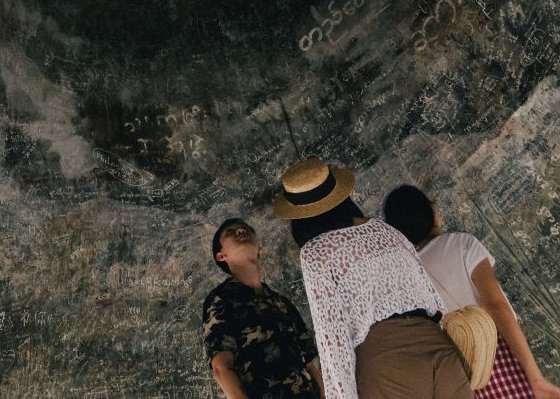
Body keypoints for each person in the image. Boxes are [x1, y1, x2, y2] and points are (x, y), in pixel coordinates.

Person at [273, 158, 472, 399]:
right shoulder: (385, 231)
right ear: (341, 195)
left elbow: (333, 338)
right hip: (438, 346)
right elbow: (433, 298)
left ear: (300, 216)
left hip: (385, 361)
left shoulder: (316, 252)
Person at [383, 185, 560, 399]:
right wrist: (535, 377)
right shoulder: (462, 244)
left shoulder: (404, 275)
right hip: (498, 355)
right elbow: (495, 305)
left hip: (458, 377)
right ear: (428, 212)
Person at [202, 217, 326, 398]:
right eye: (230, 231)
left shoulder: (282, 302)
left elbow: (309, 364)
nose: (240, 230)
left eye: (246, 228)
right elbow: (222, 368)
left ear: (259, 248)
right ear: (221, 256)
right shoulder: (221, 299)